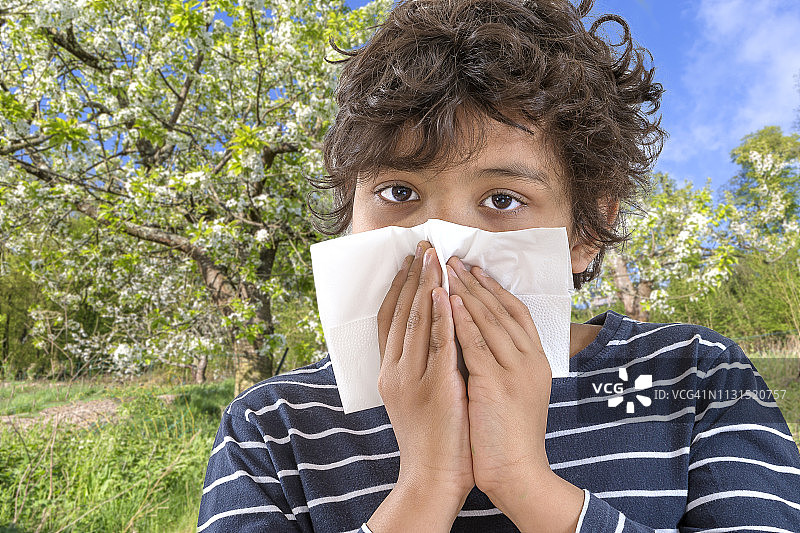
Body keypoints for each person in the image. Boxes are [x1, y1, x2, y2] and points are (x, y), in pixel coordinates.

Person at [198, 0, 800, 531]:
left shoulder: (694, 378)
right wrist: (427, 485)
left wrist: (522, 479)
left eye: (503, 200)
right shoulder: (271, 428)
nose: (440, 248)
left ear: (587, 231)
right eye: (398, 192)